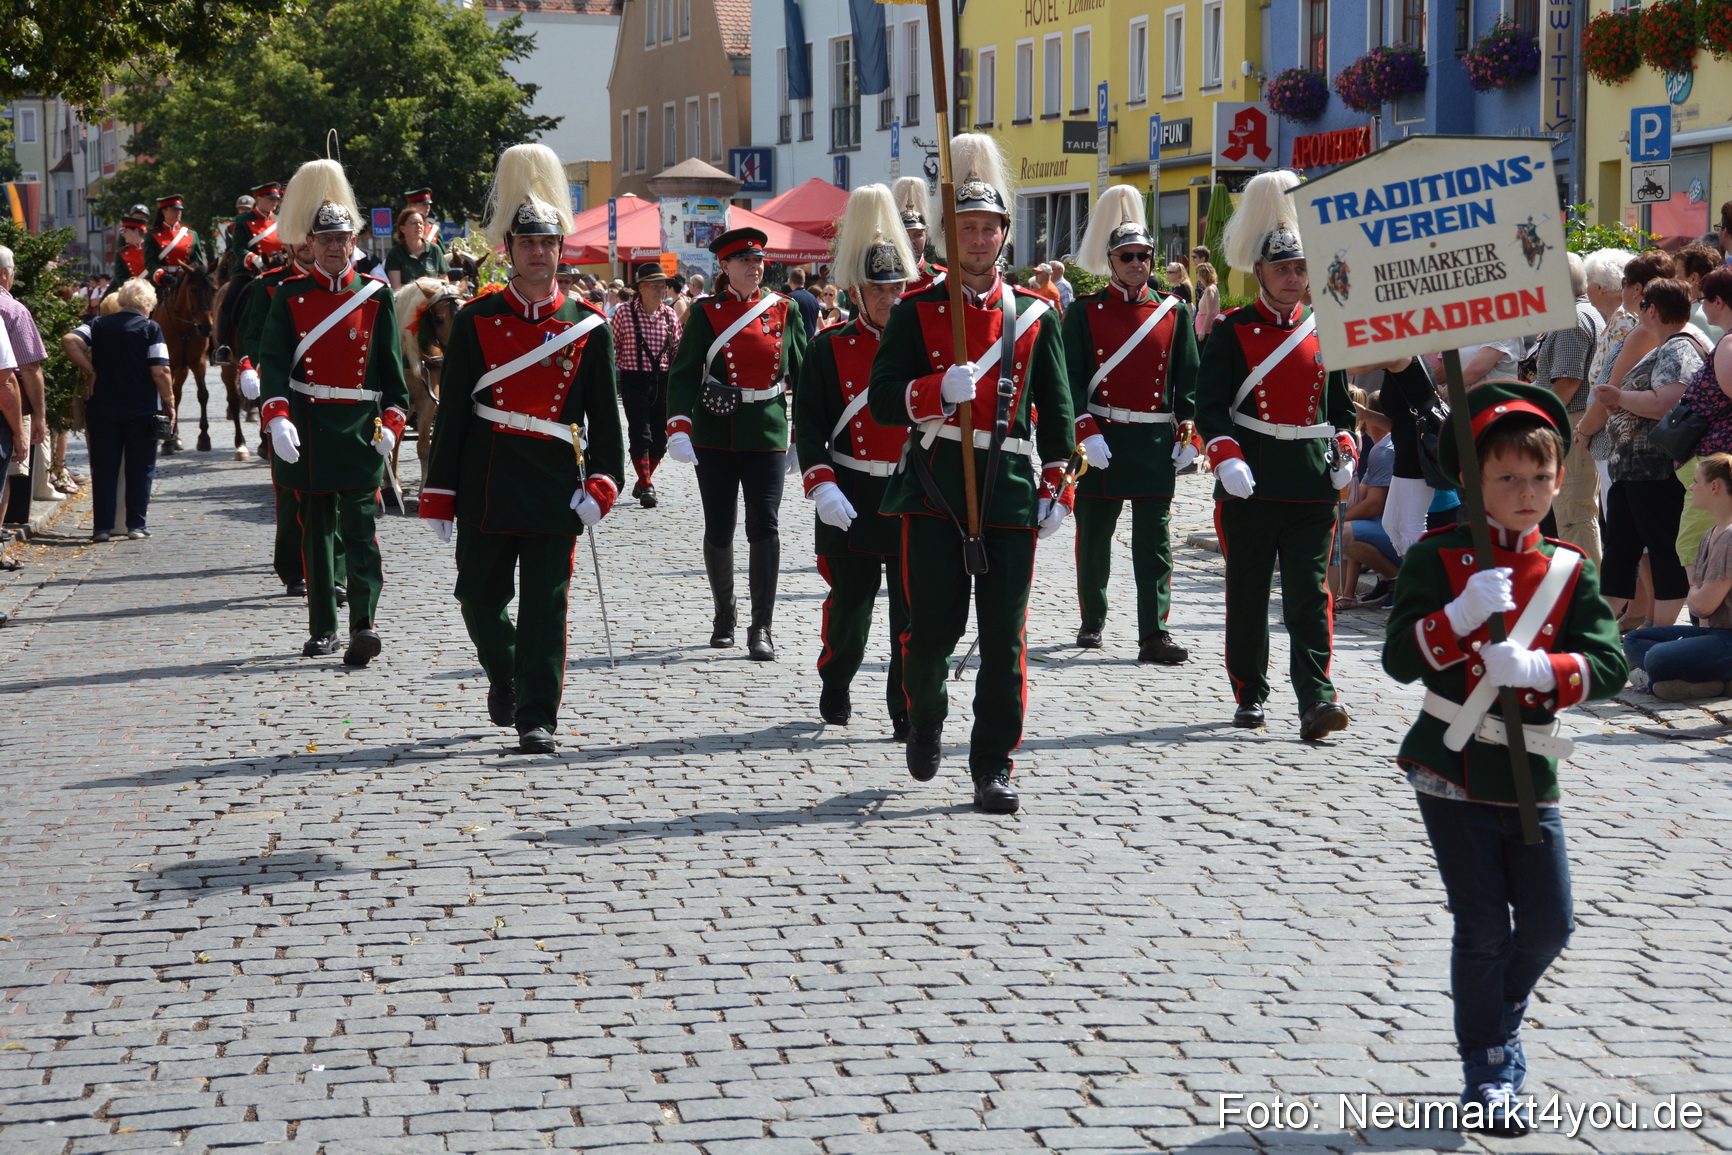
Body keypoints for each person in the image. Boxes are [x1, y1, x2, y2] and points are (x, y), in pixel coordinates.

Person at [1385, 381, 1625, 1137]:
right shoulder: (1438, 556)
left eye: (1540, 478)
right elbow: (1399, 659)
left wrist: (1545, 670)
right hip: (1450, 765)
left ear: (1558, 480)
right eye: (1507, 477)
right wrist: (1456, 616)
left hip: (1532, 772)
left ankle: (1497, 1014)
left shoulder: (1569, 568)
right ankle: (1489, 1066)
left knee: (1551, 924)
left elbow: (1609, 663)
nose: (1526, 493)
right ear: (1472, 478)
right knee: (1483, 925)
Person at [866, 132, 1074, 815]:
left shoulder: (1036, 315)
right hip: (935, 489)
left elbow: (1059, 417)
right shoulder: (916, 310)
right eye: (967, 228)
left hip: (1007, 490)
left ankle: (992, 765)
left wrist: (1058, 487)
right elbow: (881, 398)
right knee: (931, 635)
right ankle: (926, 716)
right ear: (948, 236)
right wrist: (932, 391)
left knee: (1006, 641)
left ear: (1005, 234)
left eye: (989, 228)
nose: (979, 240)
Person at [419, 144, 624, 754]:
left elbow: (604, 417)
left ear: (561, 249)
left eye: (548, 242)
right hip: (486, 476)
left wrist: (604, 482)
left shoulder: (588, 325)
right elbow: (454, 411)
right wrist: (439, 489)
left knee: (546, 607)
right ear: (508, 249)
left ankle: (538, 716)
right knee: (478, 598)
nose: (539, 252)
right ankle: (505, 670)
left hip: (555, 482)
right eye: (528, 242)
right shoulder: (477, 318)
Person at [1197, 169, 1356, 740]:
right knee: (1247, 592)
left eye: (1301, 268)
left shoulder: (1325, 327)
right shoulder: (1231, 329)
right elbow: (1209, 407)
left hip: (1310, 484)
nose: (1294, 278)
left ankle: (1317, 697)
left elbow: (1342, 410)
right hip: (1252, 480)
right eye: (1283, 268)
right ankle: (1250, 691)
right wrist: (1226, 456)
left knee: (1310, 596)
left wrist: (1345, 451)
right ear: (1259, 271)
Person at [257, 159, 409, 665]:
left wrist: (393, 423)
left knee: (362, 532)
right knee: (317, 533)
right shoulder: (289, 295)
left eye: (341, 238)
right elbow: (274, 362)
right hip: (310, 427)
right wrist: (277, 416)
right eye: (324, 238)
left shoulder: (376, 296)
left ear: (353, 241)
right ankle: (323, 628)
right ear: (310, 241)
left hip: (359, 430)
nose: (332, 246)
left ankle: (365, 623)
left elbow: (392, 375)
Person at [794, 184, 916, 734]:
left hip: (910, 490)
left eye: (896, 287)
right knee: (850, 604)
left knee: (910, 610)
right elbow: (809, 426)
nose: (888, 298)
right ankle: (836, 678)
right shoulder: (828, 347)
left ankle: (905, 705)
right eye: (877, 289)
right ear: (857, 291)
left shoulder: (923, 348)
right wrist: (822, 485)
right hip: (850, 489)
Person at [1065, 183, 1198, 664]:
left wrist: (1190, 433)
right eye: (1127, 256)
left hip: (1153, 441)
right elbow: (1068, 380)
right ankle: (1092, 619)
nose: (1137, 263)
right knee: (1093, 539)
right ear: (1111, 261)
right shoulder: (1084, 311)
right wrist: (1084, 429)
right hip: (1102, 438)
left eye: (1144, 255)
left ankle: (1154, 633)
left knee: (1154, 544)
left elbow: (1190, 382)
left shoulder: (1173, 311)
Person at [665, 227, 809, 661]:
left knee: (765, 526)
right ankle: (724, 615)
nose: (754, 267)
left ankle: (761, 626)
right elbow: (684, 373)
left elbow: (804, 376)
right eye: (745, 260)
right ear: (724, 267)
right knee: (719, 525)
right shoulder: (706, 312)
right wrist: (679, 426)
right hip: (716, 433)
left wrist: (803, 436)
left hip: (766, 431)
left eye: (759, 260)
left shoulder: (784, 309)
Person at [1593, 278, 1710, 630]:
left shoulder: (1678, 347)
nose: (1638, 310)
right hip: (1634, 469)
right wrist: (1620, 404)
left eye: (1642, 304)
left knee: (1661, 548)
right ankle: (1600, 627)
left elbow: (1668, 401)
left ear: (1653, 310)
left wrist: (1619, 398)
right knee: (1621, 547)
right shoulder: (1666, 346)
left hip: (1655, 468)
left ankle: (1660, 632)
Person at [59, 279, 176, 541]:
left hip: (102, 407)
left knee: (104, 469)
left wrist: (91, 369)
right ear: (148, 303)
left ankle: (102, 527)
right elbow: (160, 370)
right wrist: (169, 400)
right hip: (141, 408)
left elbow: (70, 341)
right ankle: (136, 525)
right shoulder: (151, 328)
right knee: (140, 467)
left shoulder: (98, 324)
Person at [1625, 453, 1732, 699]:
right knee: (1635, 640)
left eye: (1696, 481)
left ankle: (1656, 677)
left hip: (1728, 640)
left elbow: (1702, 606)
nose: (1691, 488)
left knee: (1657, 657)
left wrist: (1693, 588)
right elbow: (1701, 609)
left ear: (1714, 487)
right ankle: (1713, 682)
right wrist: (1696, 591)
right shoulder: (1710, 534)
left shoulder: (1729, 538)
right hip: (1716, 635)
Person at [1534, 252, 1606, 561]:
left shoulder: (1571, 319)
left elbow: (1567, 382)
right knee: (1577, 512)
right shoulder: (1586, 313)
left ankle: (1587, 586)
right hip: (1577, 421)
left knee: (1574, 514)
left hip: (1572, 421)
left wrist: (1536, 416)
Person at [1671, 267, 1732, 578]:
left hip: (1714, 459)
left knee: (1692, 544)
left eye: (1703, 299)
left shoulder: (1729, 344)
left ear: (1718, 302)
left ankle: (1704, 604)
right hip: (1712, 459)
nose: (1700, 306)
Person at [611, 263, 682, 508]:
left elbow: (678, 352)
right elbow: (612, 348)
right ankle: (647, 486)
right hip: (634, 379)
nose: (661, 290)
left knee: (660, 440)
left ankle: (643, 480)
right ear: (641, 288)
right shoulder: (623, 312)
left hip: (663, 381)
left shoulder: (670, 315)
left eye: (663, 286)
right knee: (641, 435)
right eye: (655, 286)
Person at [1338, 393, 1398, 609]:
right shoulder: (1381, 447)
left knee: (1344, 532)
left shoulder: (1384, 451)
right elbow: (1364, 492)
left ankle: (1397, 580)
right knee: (1349, 527)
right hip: (1393, 528)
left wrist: (1337, 520)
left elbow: (1374, 505)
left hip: (1403, 535)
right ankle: (1383, 580)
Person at [0, 247, 50, 499]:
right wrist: (39, 416)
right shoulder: (13, 310)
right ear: (4, 274)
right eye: (13, 272)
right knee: (5, 474)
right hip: (8, 405)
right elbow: (29, 368)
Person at [892, 177, 946, 295]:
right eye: (905, 236)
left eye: (918, 235)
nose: (912, 241)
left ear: (926, 237)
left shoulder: (941, 279)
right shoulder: (884, 279)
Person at [142, 194, 206, 279]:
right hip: (163, 279)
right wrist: (161, 275)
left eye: (180, 209)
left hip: (185, 279)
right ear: (164, 211)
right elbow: (150, 262)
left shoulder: (192, 234)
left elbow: (197, 261)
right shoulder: (152, 235)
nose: (178, 212)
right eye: (174, 209)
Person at [385, 208, 450, 288]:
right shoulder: (395, 253)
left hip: (435, 295)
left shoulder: (435, 249)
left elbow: (445, 282)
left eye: (421, 223)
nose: (419, 226)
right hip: (408, 296)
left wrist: (427, 281)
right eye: (414, 223)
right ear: (403, 229)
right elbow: (396, 288)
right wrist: (417, 284)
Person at [1675, 244, 1727, 345]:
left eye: (1677, 273)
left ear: (1693, 278)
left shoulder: (1686, 316)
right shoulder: (1724, 307)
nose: (1673, 279)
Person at [113, 207, 150, 285]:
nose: (123, 234)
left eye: (142, 217)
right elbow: (120, 276)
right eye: (136, 217)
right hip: (130, 286)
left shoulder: (151, 238)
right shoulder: (122, 252)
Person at [785, 266, 820, 338]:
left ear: (790, 281)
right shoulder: (813, 298)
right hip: (811, 340)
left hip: (796, 340)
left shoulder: (789, 298)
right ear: (804, 281)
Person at [1192, 260, 1221, 339]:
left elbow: (1209, 311)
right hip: (1202, 329)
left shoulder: (1209, 290)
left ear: (1203, 274)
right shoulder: (1209, 288)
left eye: (1198, 273)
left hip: (1206, 330)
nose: (1197, 275)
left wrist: (1203, 330)